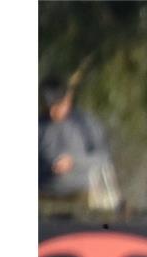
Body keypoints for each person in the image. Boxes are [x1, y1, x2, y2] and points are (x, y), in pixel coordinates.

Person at [38, 76, 117, 204]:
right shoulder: (39, 126)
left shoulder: (85, 124)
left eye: (57, 105)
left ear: (68, 99)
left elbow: (104, 157)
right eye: (49, 106)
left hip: (82, 197)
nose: (52, 111)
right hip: (44, 197)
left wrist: (74, 162)